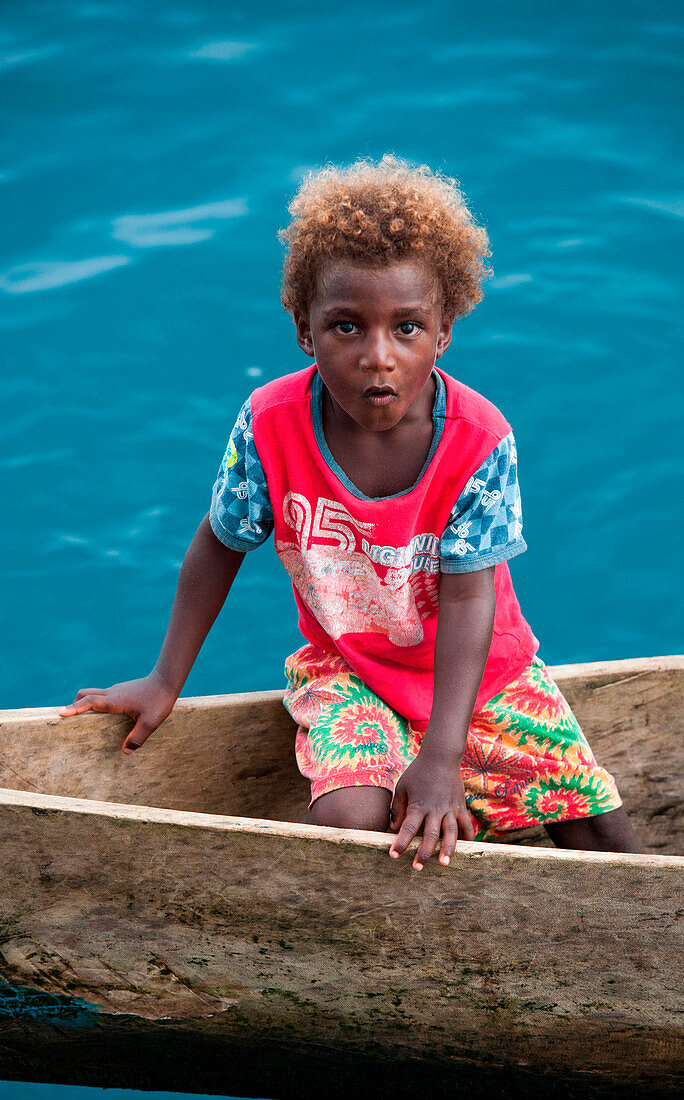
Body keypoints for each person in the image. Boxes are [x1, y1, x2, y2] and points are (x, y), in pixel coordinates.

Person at [59, 154, 645, 866]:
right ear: (305, 331)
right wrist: (164, 679)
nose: (378, 356)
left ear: (443, 333)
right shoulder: (269, 423)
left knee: (602, 834)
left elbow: (468, 599)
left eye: (407, 328)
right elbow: (221, 543)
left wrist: (440, 758)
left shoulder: (480, 439)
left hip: (480, 672)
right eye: (346, 327)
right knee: (349, 822)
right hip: (347, 666)